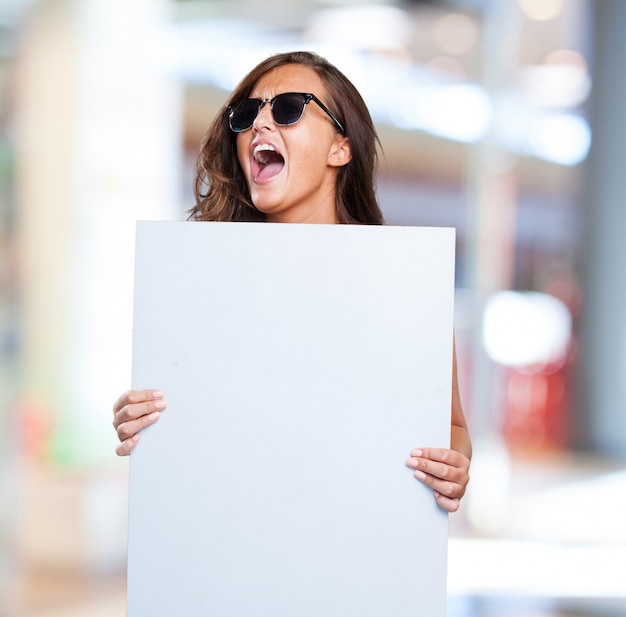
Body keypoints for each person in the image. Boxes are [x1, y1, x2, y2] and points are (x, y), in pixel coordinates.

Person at [112, 50, 471, 513]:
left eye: (287, 108)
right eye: (246, 114)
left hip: (361, 550)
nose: (260, 125)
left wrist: (455, 464)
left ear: (340, 147)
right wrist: (142, 418)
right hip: (228, 551)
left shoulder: (404, 280)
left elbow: (453, 428)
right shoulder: (201, 278)